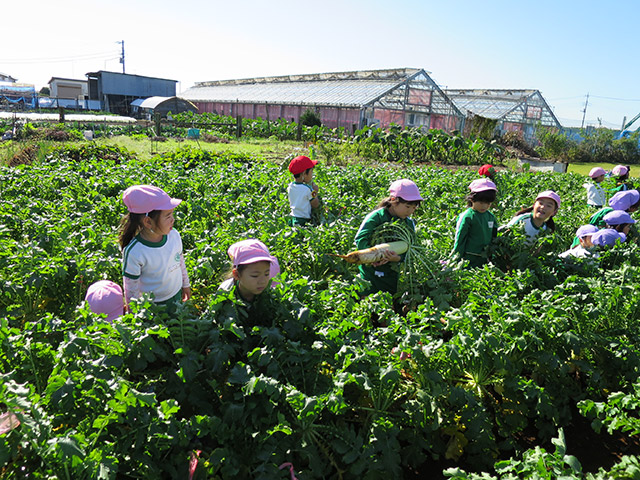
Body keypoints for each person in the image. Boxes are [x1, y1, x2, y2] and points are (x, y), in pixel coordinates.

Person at [119, 185, 191, 312]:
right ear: (148, 222)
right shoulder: (134, 252)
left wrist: (186, 285)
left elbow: (180, 261)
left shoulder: (174, 235)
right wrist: (134, 315)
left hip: (176, 295)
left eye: (172, 214)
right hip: (153, 307)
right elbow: (131, 290)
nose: (173, 220)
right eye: (168, 216)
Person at [354, 179, 422, 295]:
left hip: (392, 275)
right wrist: (372, 258)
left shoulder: (409, 223)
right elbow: (361, 239)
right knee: (367, 301)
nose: (410, 211)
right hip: (369, 273)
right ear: (393, 200)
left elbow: (411, 248)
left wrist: (398, 258)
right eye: (407, 207)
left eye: (414, 208)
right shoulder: (376, 217)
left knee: (389, 304)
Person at [216, 239, 282, 329]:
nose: (262, 281)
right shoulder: (225, 292)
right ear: (237, 274)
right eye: (255, 276)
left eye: (267, 274)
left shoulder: (271, 291)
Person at [452, 178, 498, 268]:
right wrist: (455, 260)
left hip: (484, 260)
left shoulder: (490, 217)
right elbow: (460, 239)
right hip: (468, 260)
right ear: (472, 199)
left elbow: (494, 237)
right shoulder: (467, 217)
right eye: (481, 203)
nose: (484, 206)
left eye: (488, 203)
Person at [287, 155, 320, 226]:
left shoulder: (290, 186)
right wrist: (315, 191)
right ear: (304, 173)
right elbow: (315, 204)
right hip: (303, 221)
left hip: (293, 218)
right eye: (311, 171)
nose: (312, 175)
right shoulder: (307, 189)